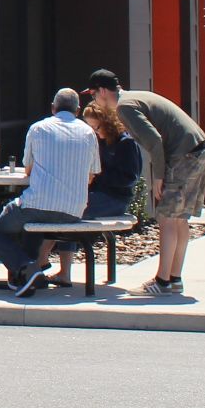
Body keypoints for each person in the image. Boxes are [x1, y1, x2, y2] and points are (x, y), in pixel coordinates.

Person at [87, 68, 205, 296]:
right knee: (178, 219)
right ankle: (173, 279)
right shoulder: (133, 97)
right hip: (198, 149)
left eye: (93, 94)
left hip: (184, 154)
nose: (94, 100)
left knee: (166, 217)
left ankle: (162, 282)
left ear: (103, 91)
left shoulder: (124, 107)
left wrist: (158, 177)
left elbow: (154, 140)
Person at [0, 87, 101, 297]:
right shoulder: (88, 132)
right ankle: (27, 277)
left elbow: (27, 169)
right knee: (30, 227)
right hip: (74, 210)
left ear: (53, 108)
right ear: (78, 109)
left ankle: (26, 268)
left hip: (37, 205)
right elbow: (92, 175)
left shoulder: (38, 128)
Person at [36, 96, 143, 284]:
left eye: (97, 128)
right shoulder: (97, 142)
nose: (93, 132)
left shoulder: (125, 143)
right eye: (90, 128)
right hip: (94, 194)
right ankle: (61, 271)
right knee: (64, 207)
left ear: (108, 123)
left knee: (67, 209)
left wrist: (99, 175)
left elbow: (130, 178)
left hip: (115, 198)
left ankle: (42, 259)